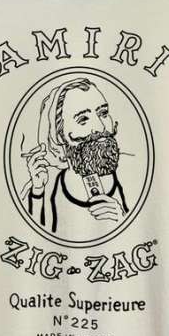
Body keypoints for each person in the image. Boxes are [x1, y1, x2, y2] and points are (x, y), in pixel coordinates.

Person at [18, 77, 129, 238]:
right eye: (83, 119)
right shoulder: (44, 186)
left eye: (103, 113)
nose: (100, 127)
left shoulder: (131, 175)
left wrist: (122, 221)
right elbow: (29, 237)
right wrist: (37, 192)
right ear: (59, 134)